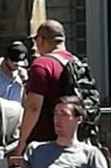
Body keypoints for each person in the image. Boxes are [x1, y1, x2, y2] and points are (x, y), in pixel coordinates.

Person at [15, 20, 75, 152]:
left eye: (36, 40)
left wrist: (22, 141)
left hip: (44, 142)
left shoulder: (42, 64)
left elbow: (33, 107)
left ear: (42, 39)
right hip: (72, 140)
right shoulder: (76, 63)